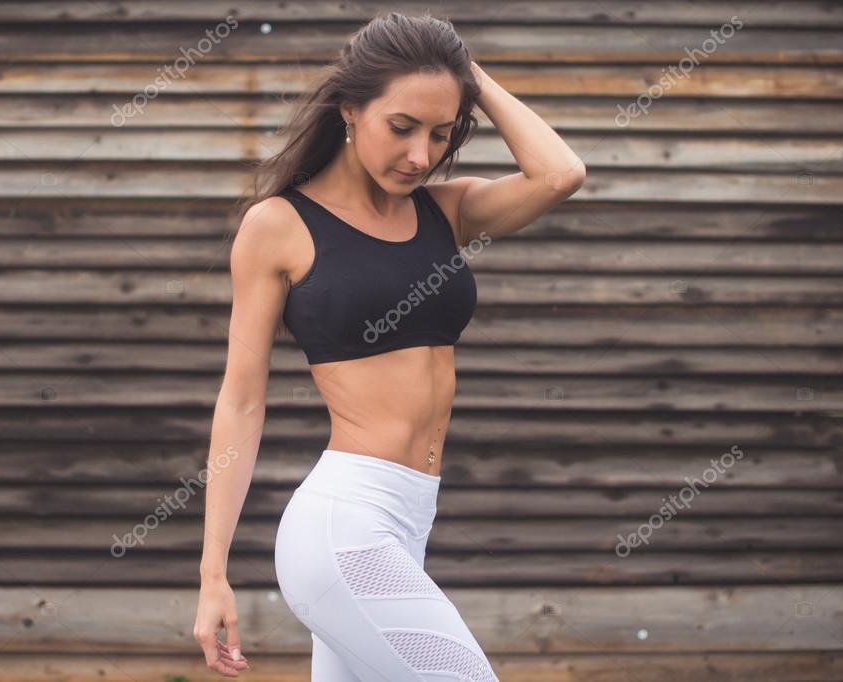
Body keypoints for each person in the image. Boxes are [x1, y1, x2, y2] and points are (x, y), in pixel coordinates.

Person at [194, 11, 585, 679]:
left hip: (411, 518)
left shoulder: (443, 211)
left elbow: (559, 174)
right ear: (349, 108)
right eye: (401, 127)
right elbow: (241, 402)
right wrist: (212, 575)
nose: (420, 156)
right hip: (343, 526)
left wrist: (468, 75)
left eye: (440, 133)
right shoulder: (279, 225)